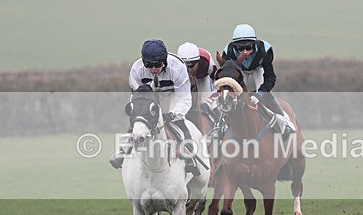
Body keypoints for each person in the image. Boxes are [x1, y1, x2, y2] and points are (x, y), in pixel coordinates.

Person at [110, 39, 199, 175]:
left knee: (178, 123)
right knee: (138, 121)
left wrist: (173, 114)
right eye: (148, 65)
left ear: (165, 61)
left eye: (157, 65)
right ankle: (123, 152)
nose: (152, 69)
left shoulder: (177, 67)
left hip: (172, 95)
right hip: (148, 97)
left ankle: (189, 157)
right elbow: (136, 97)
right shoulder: (137, 69)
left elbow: (185, 99)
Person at [218, 23, 295, 135]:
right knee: (231, 97)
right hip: (239, 71)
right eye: (240, 48)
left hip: (258, 69)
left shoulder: (265, 51)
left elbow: (270, 78)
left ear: (254, 44)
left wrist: (260, 94)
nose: (244, 52)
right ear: (234, 46)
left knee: (267, 95)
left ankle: (284, 122)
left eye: (248, 47)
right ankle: (220, 125)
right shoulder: (227, 53)